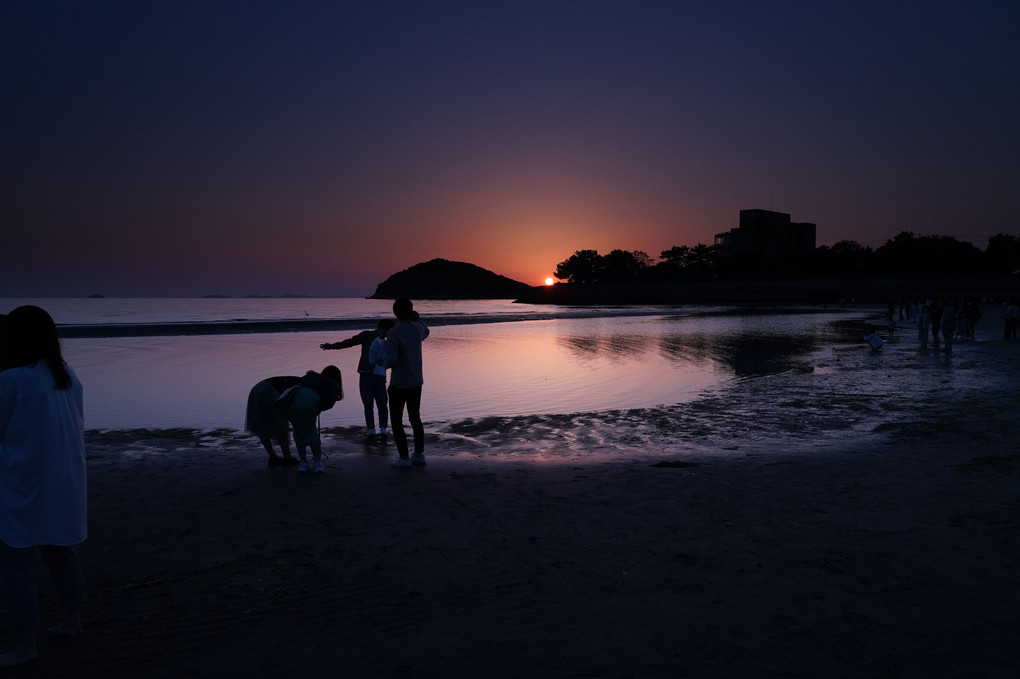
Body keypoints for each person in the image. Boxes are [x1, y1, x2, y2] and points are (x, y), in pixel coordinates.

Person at [0, 306, 87, 667]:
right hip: (62, 479)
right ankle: (72, 622)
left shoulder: (11, 380)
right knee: (60, 551)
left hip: (21, 480)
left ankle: (25, 644)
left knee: (16, 560)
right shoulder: (66, 376)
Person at [321, 319, 395, 444]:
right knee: (368, 404)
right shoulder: (367, 335)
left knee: (382, 403)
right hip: (366, 373)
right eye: (388, 331)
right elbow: (350, 342)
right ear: (382, 328)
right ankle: (371, 430)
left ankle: (383, 429)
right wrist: (332, 346)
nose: (388, 334)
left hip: (380, 375)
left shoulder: (390, 340)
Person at [384, 298, 430, 469]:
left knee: (396, 420)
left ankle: (404, 457)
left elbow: (392, 361)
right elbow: (426, 331)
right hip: (416, 381)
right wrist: (417, 319)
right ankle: (419, 455)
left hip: (399, 383)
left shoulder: (394, 333)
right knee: (415, 418)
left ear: (395, 312)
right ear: (410, 311)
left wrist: (381, 361)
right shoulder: (416, 328)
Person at [282, 366, 343, 473]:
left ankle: (303, 463)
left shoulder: (313, 377)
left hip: (291, 405)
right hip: (306, 403)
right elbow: (328, 404)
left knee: (299, 432)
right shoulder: (331, 384)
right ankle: (317, 462)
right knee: (311, 433)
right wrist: (318, 408)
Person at [245, 375, 301, 466]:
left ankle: (273, 456)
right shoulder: (303, 386)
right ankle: (287, 457)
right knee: (281, 425)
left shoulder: (300, 380)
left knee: (262, 424)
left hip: (257, 389)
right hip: (270, 392)